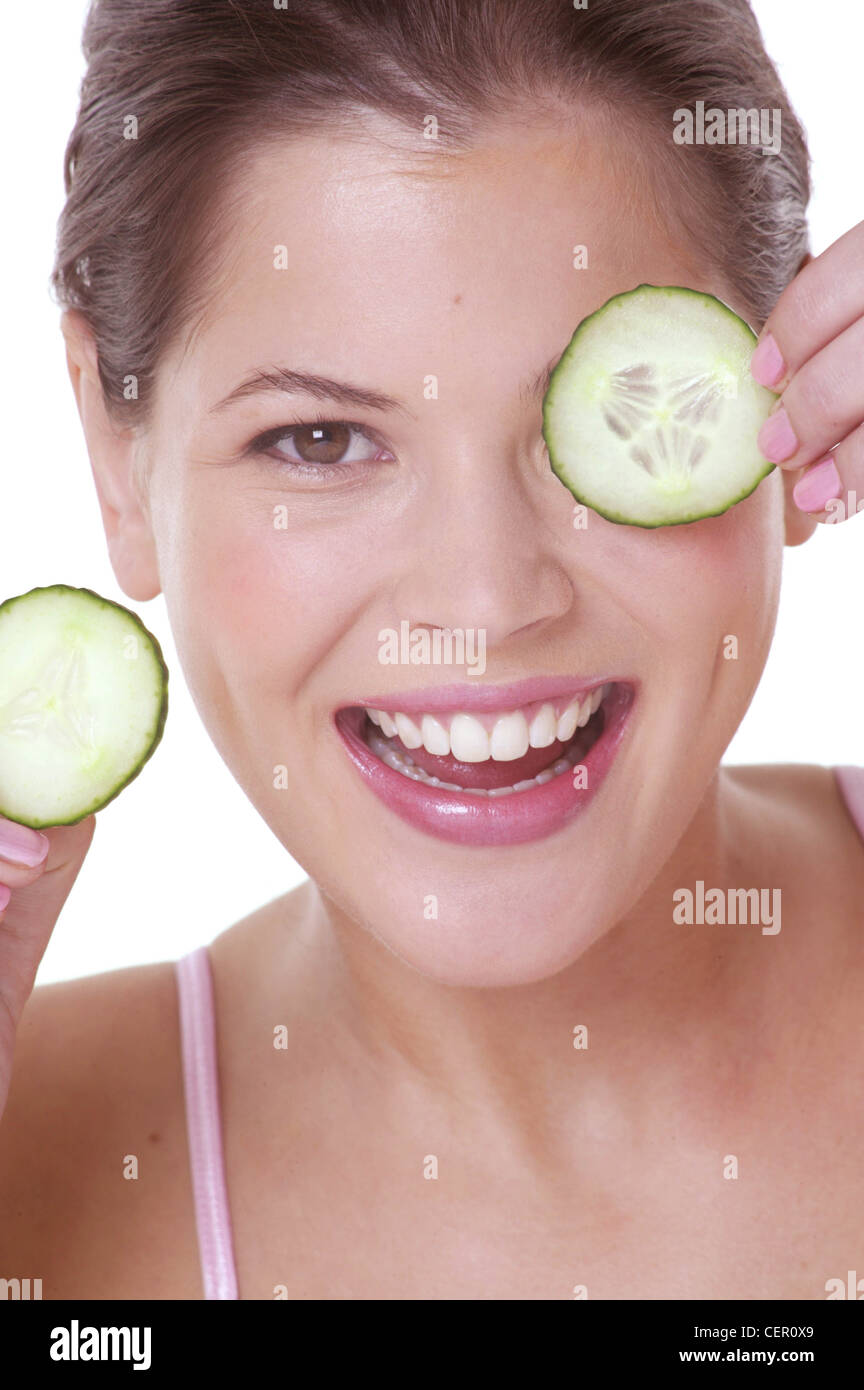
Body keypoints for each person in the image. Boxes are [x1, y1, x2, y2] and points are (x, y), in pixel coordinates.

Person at [1, 0, 863, 1300]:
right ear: (121, 471)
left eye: (610, 415)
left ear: (794, 403)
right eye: (321, 442)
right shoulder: (34, 1163)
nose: (485, 596)